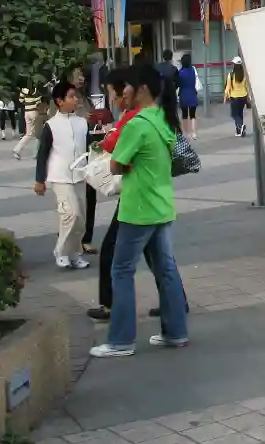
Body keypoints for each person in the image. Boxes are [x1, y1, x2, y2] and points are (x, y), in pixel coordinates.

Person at [91, 64, 190, 358]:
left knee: (121, 270)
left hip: (138, 208)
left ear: (142, 89)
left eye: (128, 87)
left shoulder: (137, 124)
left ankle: (121, 340)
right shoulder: (163, 118)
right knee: (166, 269)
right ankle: (176, 332)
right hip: (162, 204)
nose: (124, 92)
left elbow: (115, 164)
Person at [34, 81, 91, 270]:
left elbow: (91, 150)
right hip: (60, 177)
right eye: (71, 96)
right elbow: (42, 154)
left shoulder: (82, 123)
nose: (75, 100)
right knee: (70, 214)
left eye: (76, 96)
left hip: (81, 176)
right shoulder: (51, 125)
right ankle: (60, 251)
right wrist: (39, 180)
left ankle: (75, 254)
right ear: (59, 101)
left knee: (81, 219)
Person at [13, 85, 45, 159]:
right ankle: (36, 153)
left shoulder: (23, 89)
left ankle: (17, 150)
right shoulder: (37, 90)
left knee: (29, 134)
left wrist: (27, 102)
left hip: (27, 112)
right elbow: (38, 103)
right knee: (38, 133)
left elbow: (21, 101)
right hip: (34, 112)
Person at [176, 53, 201, 140]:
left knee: (185, 115)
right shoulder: (193, 71)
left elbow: (178, 84)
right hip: (192, 94)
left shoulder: (180, 72)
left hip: (183, 94)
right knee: (193, 115)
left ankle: (186, 133)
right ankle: (194, 133)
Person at [224, 57, 250, 137]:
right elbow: (247, 86)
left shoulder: (231, 75)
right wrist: (248, 96)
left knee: (234, 114)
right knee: (240, 113)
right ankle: (239, 131)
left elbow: (228, 87)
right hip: (243, 97)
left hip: (235, 98)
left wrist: (225, 97)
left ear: (234, 65)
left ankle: (240, 126)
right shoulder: (244, 74)